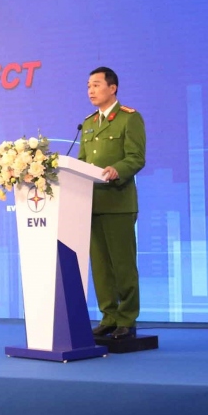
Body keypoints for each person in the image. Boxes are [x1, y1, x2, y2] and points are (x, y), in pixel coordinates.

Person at [77, 66, 146, 340]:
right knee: (101, 267)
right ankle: (109, 317)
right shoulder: (88, 123)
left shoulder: (129, 118)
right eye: (88, 86)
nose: (90, 90)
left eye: (96, 85)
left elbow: (136, 157)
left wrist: (118, 169)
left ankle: (127, 319)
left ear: (112, 88)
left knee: (122, 265)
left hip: (118, 202)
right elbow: (82, 162)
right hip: (91, 204)